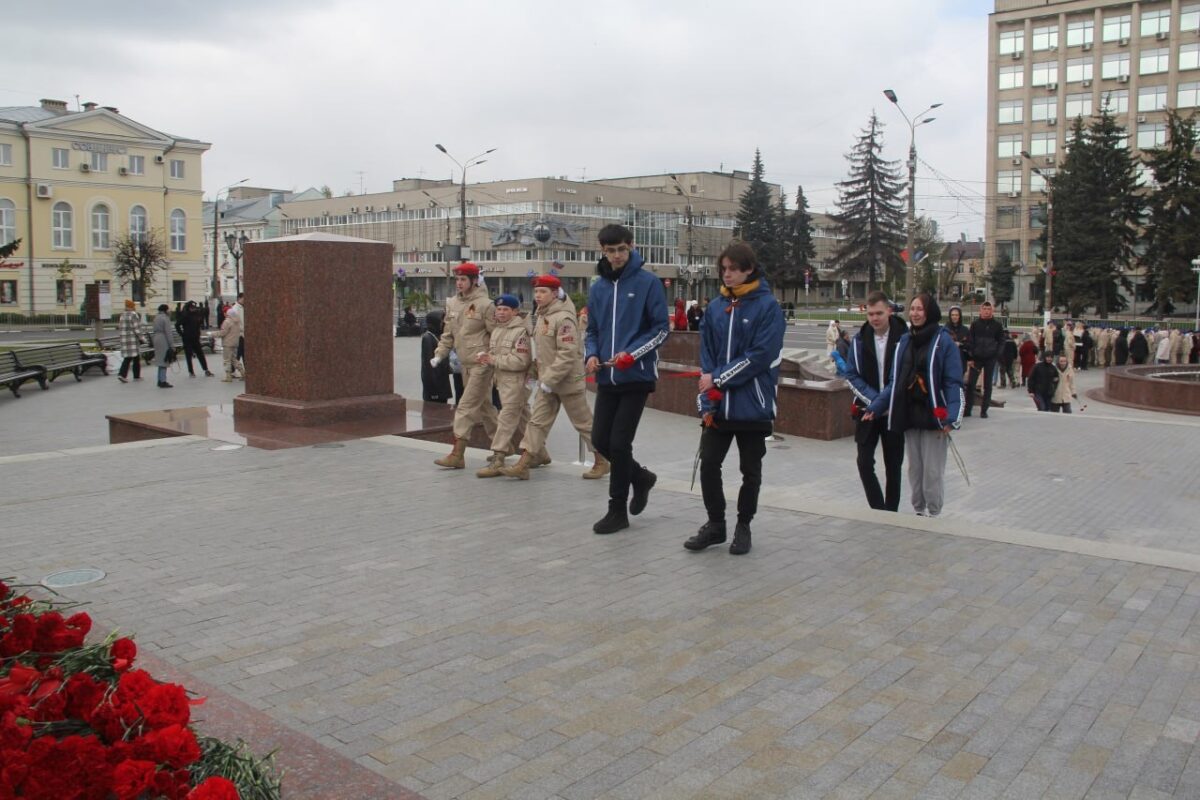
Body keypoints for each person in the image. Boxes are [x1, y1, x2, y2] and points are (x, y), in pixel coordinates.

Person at [683, 242, 785, 555]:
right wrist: (707, 397)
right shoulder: (715, 307)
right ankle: (716, 524)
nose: (728, 275)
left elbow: (759, 356)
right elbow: (708, 355)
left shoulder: (768, 307)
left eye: (734, 269)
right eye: (724, 269)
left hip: (753, 405)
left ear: (749, 269)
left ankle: (744, 525)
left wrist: (719, 379)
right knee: (709, 464)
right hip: (719, 405)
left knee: (749, 470)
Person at [584, 223, 669, 535]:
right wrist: (591, 355)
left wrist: (632, 354)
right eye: (610, 251)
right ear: (602, 251)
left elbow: (661, 328)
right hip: (607, 375)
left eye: (622, 249)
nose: (617, 255)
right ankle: (641, 478)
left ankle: (616, 510)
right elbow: (592, 330)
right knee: (600, 440)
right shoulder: (599, 287)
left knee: (619, 443)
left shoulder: (648, 283)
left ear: (631, 247)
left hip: (636, 375)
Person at [863, 293, 963, 518]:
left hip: (935, 416)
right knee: (915, 469)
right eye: (913, 309)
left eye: (920, 309)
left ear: (930, 313)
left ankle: (934, 513)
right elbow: (894, 381)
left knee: (932, 470)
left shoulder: (943, 341)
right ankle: (919, 511)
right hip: (910, 414)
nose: (915, 313)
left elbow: (953, 382)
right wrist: (876, 406)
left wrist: (952, 416)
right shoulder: (906, 341)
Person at [503, 274, 608, 480]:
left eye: (543, 292)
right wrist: (536, 374)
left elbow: (567, 353)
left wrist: (549, 379)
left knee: (584, 424)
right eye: (536, 292)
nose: (538, 296)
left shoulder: (564, 318)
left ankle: (602, 460)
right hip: (547, 382)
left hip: (567, 381)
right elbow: (544, 351)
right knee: (537, 422)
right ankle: (524, 462)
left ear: (555, 294)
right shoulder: (543, 315)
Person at [840, 290, 908, 513]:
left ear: (889, 310)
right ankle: (879, 509)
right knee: (864, 462)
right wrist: (874, 401)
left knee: (893, 465)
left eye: (879, 313)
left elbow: (901, 377)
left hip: (894, 410)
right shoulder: (860, 340)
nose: (875, 318)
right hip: (867, 410)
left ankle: (892, 511)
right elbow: (851, 375)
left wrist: (884, 403)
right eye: (870, 314)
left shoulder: (904, 338)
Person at [430, 262, 500, 469]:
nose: (459, 283)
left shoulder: (486, 304)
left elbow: (496, 334)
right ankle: (503, 447)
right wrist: (439, 354)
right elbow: (448, 334)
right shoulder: (452, 303)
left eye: (463, 279)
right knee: (486, 408)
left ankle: (457, 453)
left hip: (482, 364)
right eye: (457, 279)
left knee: (466, 407)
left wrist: (492, 357)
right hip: (465, 365)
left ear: (474, 281)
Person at [474, 295, 532, 478]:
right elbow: (495, 353)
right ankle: (540, 454)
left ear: (515, 312)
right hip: (502, 382)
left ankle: (499, 457)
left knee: (506, 419)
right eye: (499, 309)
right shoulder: (499, 330)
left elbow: (521, 361)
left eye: (506, 309)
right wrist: (486, 356)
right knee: (524, 418)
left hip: (516, 382)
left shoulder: (521, 331)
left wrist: (494, 359)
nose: (501, 312)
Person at [965, 301, 1004, 418]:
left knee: (988, 385)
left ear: (992, 311)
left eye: (989, 309)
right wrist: (970, 356)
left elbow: (1002, 341)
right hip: (976, 359)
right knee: (971, 384)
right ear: (980, 311)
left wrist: (997, 354)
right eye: (984, 309)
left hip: (990, 359)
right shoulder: (975, 325)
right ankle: (968, 409)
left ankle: (984, 410)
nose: (987, 311)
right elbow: (970, 341)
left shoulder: (997, 325)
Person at [420, 309, 452, 403]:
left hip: (441, 379)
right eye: (442, 321)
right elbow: (428, 364)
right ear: (435, 321)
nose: (443, 323)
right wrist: (432, 387)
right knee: (434, 410)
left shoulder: (438, 336)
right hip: (434, 383)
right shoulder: (428, 338)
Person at [175, 301, 213, 378]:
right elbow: (177, 325)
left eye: (194, 308)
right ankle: (191, 371)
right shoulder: (185, 315)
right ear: (189, 308)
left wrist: (199, 328)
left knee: (200, 354)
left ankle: (206, 369)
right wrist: (182, 334)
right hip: (187, 338)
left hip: (195, 338)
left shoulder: (196, 315)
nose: (194, 309)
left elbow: (199, 323)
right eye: (192, 308)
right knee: (188, 355)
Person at [115, 299, 145, 383]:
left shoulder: (122, 315)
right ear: (132, 307)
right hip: (132, 340)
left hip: (124, 339)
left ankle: (136, 375)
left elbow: (120, 327)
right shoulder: (133, 314)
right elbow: (137, 328)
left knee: (133, 357)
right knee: (130, 358)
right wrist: (142, 338)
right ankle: (122, 374)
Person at [217, 305, 243, 382]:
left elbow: (222, 333)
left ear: (226, 313)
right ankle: (243, 372)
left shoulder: (227, 321)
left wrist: (212, 334)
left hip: (227, 343)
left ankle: (228, 376)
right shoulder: (237, 321)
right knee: (234, 359)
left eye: (224, 312)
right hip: (235, 343)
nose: (223, 314)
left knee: (227, 360)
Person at [151, 304, 174, 389]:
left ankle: (159, 379)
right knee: (164, 360)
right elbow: (168, 332)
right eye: (168, 309)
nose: (169, 311)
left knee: (160, 360)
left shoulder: (156, 317)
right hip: (163, 339)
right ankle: (163, 381)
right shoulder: (165, 318)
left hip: (156, 338)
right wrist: (171, 345)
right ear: (165, 310)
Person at [233, 292, 246, 369]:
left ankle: (234, 369)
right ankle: (233, 369)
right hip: (239, 334)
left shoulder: (242, 307)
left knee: (242, 352)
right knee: (239, 352)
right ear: (239, 298)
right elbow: (236, 322)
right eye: (244, 298)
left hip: (242, 334)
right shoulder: (235, 308)